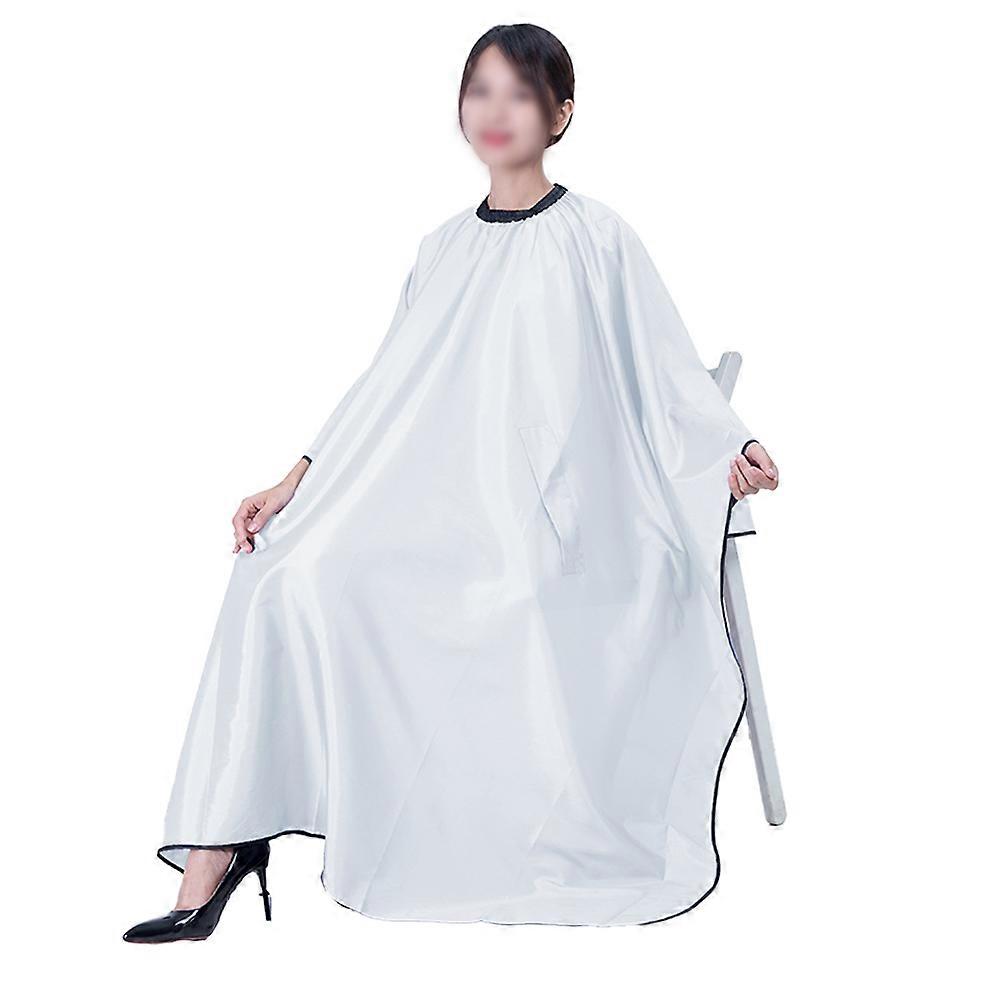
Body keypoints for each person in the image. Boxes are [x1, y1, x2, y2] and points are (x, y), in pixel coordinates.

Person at [123, 23, 779, 943]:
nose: (495, 111)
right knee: (280, 572)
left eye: (520, 93)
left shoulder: (598, 237)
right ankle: (220, 847)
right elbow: (383, 394)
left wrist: (730, 449)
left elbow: (666, 373)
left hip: (559, 522)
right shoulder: (442, 248)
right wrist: (293, 480)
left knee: (507, 595)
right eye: (480, 90)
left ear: (561, 113)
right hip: (439, 509)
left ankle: (465, 835)